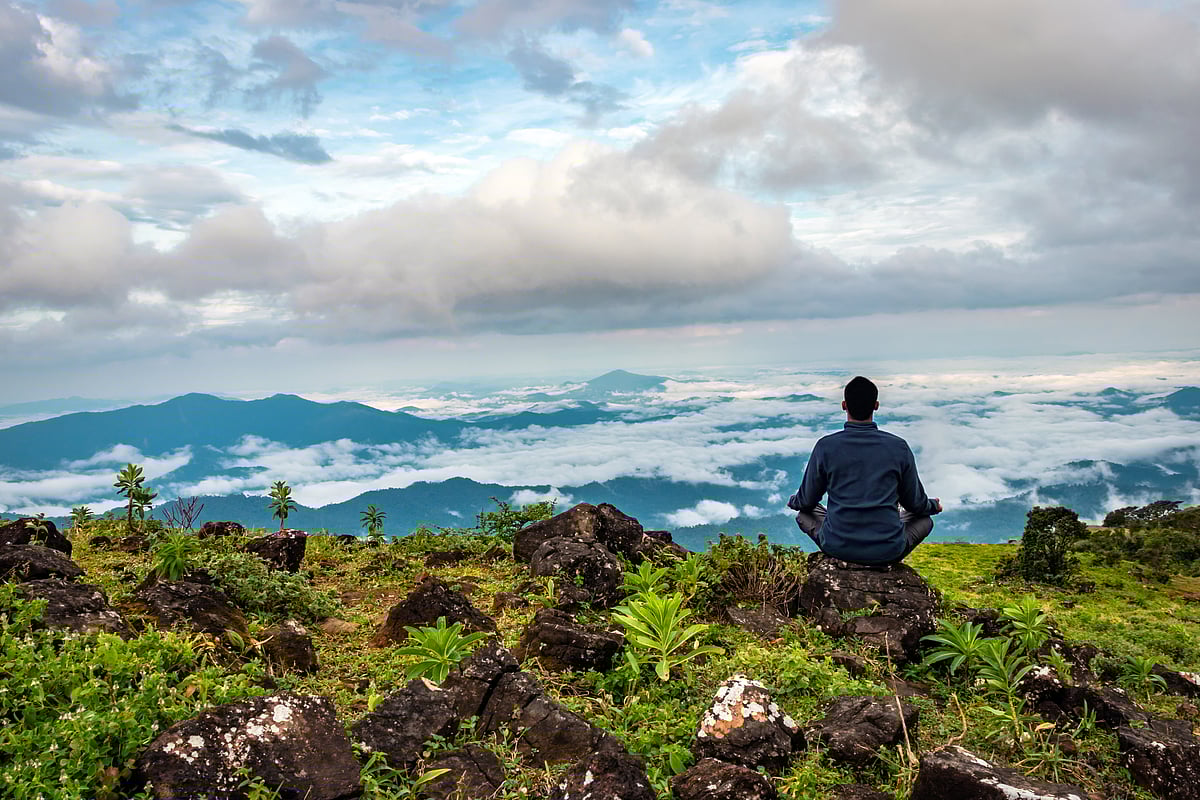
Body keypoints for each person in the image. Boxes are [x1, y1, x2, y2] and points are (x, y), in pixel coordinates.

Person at [787, 376, 941, 565]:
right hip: (888, 550)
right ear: (876, 405)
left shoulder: (825, 447)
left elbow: (806, 501)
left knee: (804, 514)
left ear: (844, 405)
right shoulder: (899, 447)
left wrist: (793, 500)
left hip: (838, 546)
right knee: (924, 519)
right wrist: (933, 506)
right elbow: (915, 504)